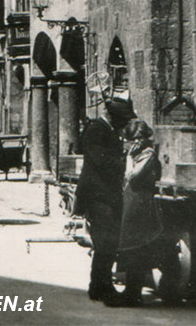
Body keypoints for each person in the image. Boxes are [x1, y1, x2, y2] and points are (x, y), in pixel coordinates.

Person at [73, 96, 133, 303]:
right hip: (98, 195)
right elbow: (101, 161)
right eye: (122, 120)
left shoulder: (106, 130)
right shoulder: (96, 130)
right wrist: (127, 162)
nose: (124, 124)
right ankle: (102, 288)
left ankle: (98, 287)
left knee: (107, 243)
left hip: (104, 195)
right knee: (105, 243)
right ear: (111, 116)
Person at [109, 118, 163, 307]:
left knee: (136, 249)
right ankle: (131, 292)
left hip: (141, 205)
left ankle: (134, 295)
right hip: (132, 203)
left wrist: (129, 159)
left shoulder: (147, 155)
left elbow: (133, 175)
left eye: (132, 140)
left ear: (140, 139)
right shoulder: (139, 153)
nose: (130, 144)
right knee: (130, 249)